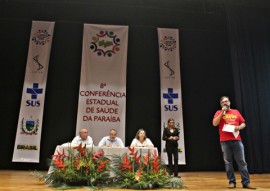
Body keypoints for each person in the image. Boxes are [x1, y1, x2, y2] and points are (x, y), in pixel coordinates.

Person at [213, 96, 256, 189]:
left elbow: (243, 123)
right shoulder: (218, 112)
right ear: (221, 104)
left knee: (242, 162)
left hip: (237, 140)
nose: (225, 103)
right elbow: (214, 123)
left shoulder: (236, 112)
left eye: (226, 101)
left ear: (229, 102)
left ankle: (246, 182)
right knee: (228, 162)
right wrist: (221, 113)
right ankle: (232, 182)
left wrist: (239, 127)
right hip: (224, 141)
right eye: (223, 102)